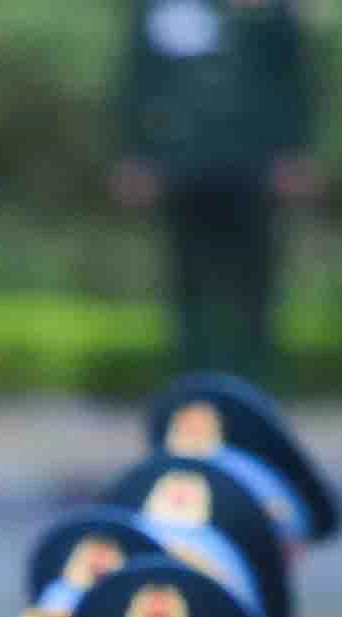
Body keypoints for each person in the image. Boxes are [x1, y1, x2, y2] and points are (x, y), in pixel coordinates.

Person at [112, 0, 318, 386]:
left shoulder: (272, 11)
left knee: (256, 286)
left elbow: (294, 79)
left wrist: (297, 153)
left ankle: (254, 387)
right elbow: (137, 79)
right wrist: (135, 156)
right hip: (181, 164)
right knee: (188, 285)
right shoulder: (159, 7)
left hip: (255, 165)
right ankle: (194, 387)